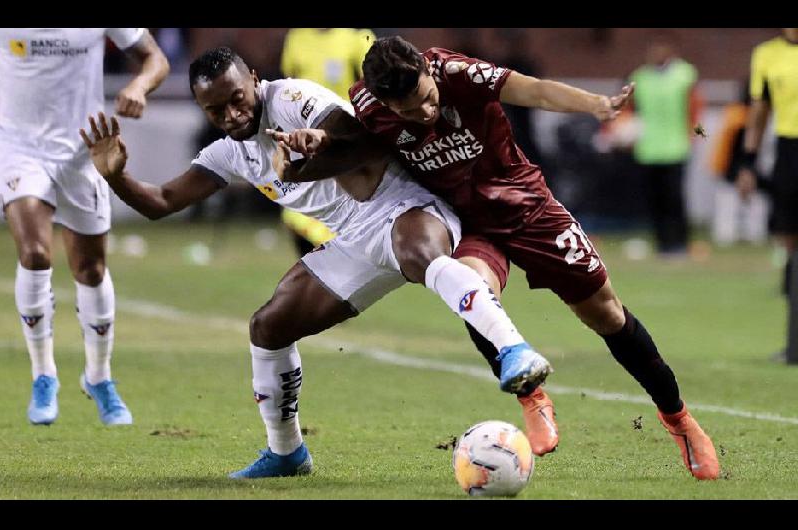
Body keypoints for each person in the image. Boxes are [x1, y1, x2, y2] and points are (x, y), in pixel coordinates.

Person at [79, 47, 551, 478]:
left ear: (255, 80)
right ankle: (286, 452)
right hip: (354, 242)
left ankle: (514, 350)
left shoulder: (292, 99)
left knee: (419, 255)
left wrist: (315, 144)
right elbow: (161, 201)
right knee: (269, 326)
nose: (232, 113)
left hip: (403, 206)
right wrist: (117, 177)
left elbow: (364, 139)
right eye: (215, 109)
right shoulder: (229, 152)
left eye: (237, 98)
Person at [305, 35, 718, 479]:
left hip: (527, 207)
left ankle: (679, 420)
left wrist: (594, 105)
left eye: (425, 99)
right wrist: (318, 141)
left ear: (427, 71)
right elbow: (347, 142)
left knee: (607, 315)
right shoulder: (368, 105)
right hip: (467, 222)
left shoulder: (459, 73)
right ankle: (532, 397)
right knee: (469, 286)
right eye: (407, 112)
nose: (422, 113)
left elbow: (535, 90)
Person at [0, 29, 170, 426]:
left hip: (84, 149)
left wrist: (139, 87)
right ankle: (43, 374)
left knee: (90, 270)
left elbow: (156, 60)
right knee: (35, 253)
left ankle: (99, 377)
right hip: (19, 149)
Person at [279, 28, 376, 256]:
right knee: (297, 209)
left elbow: (373, 89)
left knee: (343, 208)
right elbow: (287, 84)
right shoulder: (296, 38)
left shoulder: (356, 38)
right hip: (304, 139)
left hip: (343, 138)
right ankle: (320, 268)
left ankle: (342, 259)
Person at [736, 28, 798, 364]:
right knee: (789, 241)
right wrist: (748, 163)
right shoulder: (766, 54)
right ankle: (794, 338)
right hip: (789, 151)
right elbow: (759, 111)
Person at [628, 33, 703, 257]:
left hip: (676, 146)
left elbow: (695, 109)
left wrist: (696, 136)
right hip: (648, 148)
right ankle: (662, 244)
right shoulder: (639, 77)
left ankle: (679, 243)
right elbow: (631, 110)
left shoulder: (685, 74)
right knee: (655, 199)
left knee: (675, 198)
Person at [709, 79, 768, 246]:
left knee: (750, 201)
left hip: (734, 167)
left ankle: (746, 233)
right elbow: (736, 149)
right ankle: (738, 233)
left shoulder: (734, 113)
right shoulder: (741, 117)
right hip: (734, 167)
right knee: (733, 200)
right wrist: (742, 172)